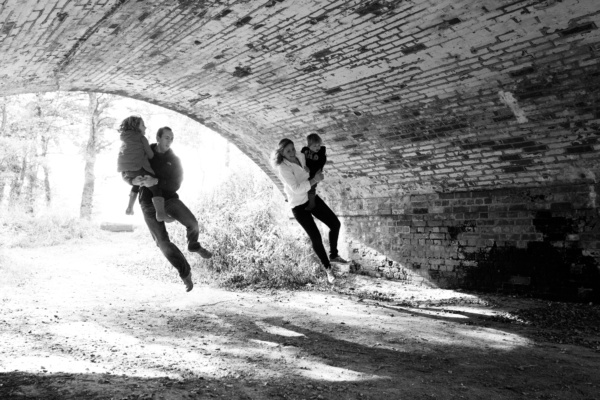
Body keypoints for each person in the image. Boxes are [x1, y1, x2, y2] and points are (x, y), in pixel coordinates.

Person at [133, 126, 213, 292]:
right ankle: (185, 273)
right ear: (158, 138)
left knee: (193, 224)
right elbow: (132, 172)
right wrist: (138, 182)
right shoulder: (146, 154)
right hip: (148, 203)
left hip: (169, 199)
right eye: (166, 137)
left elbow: (175, 184)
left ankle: (193, 245)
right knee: (163, 243)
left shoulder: (175, 160)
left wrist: (156, 182)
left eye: (171, 138)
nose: (169, 141)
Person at [272, 138, 348, 284]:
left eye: (293, 149)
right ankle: (328, 269)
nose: (292, 153)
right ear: (281, 153)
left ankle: (334, 255)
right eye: (288, 151)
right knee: (316, 237)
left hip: (310, 197)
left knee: (335, 224)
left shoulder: (301, 156)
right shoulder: (283, 168)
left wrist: (313, 170)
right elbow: (296, 188)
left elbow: (314, 160)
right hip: (298, 206)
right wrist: (314, 180)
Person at [117, 115, 172, 222]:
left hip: (127, 170)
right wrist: (153, 157)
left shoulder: (124, 139)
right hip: (140, 168)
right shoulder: (141, 138)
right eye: (143, 125)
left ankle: (129, 207)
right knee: (155, 187)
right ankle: (161, 214)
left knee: (137, 184)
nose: (145, 127)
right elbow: (150, 154)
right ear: (135, 127)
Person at [300, 133, 326, 211]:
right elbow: (300, 159)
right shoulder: (305, 151)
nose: (317, 147)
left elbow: (322, 162)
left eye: (318, 145)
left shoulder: (321, 152)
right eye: (314, 146)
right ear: (308, 145)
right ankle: (302, 201)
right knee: (303, 187)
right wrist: (304, 166)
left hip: (314, 174)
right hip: (305, 174)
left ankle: (312, 204)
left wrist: (319, 171)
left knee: (311, 189)